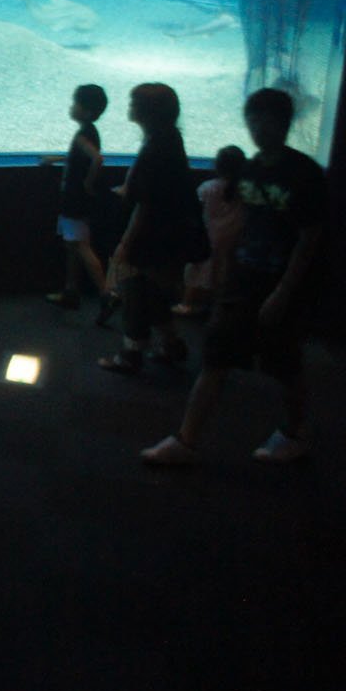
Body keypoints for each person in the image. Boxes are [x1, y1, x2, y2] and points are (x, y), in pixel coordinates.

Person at [142, 89, 328, 465]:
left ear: (285, 123)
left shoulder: (304, 173)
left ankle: (296, 432)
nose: (259, 128)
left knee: (284, 365)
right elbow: (244, 226)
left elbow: (310, 237)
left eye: (267, 120)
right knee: (216, 356)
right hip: (242, 281)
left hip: (282, 286)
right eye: (253, 120)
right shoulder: (250, 169)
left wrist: (285, 291)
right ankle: (186, 440)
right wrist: (225, 277)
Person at [98, 83, 207, 374]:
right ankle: (172, 346)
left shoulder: (157, 146)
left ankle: (130, 355)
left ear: (148, 111)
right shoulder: (168, 139)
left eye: (134, 102)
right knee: (153, 293)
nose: (129, 106)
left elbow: (148, 203)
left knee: (134, 292)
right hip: (166, 236)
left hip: (150, 238)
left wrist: (126, 242)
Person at [39, 83, 109, 312]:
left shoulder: (82, 135)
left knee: (81, 245)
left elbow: (97, 159)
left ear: (86, 111)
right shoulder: (90, 132)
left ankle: (107, 293)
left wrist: (88, 183)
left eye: (75, 103)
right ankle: (71, 291)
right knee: (72, 245)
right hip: (77, 200)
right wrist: (56, 159)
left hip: (75, 199)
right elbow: (79, 158)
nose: (71, 107)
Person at [173, 145, 246, 318]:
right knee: (224, 271)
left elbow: (194, 208)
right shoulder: (244, 190)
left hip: (208, 236)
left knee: (197, 270)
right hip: (233, 236)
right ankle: (217, 306)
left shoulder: (208, 187)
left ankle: (187, 303)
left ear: (218, 166)